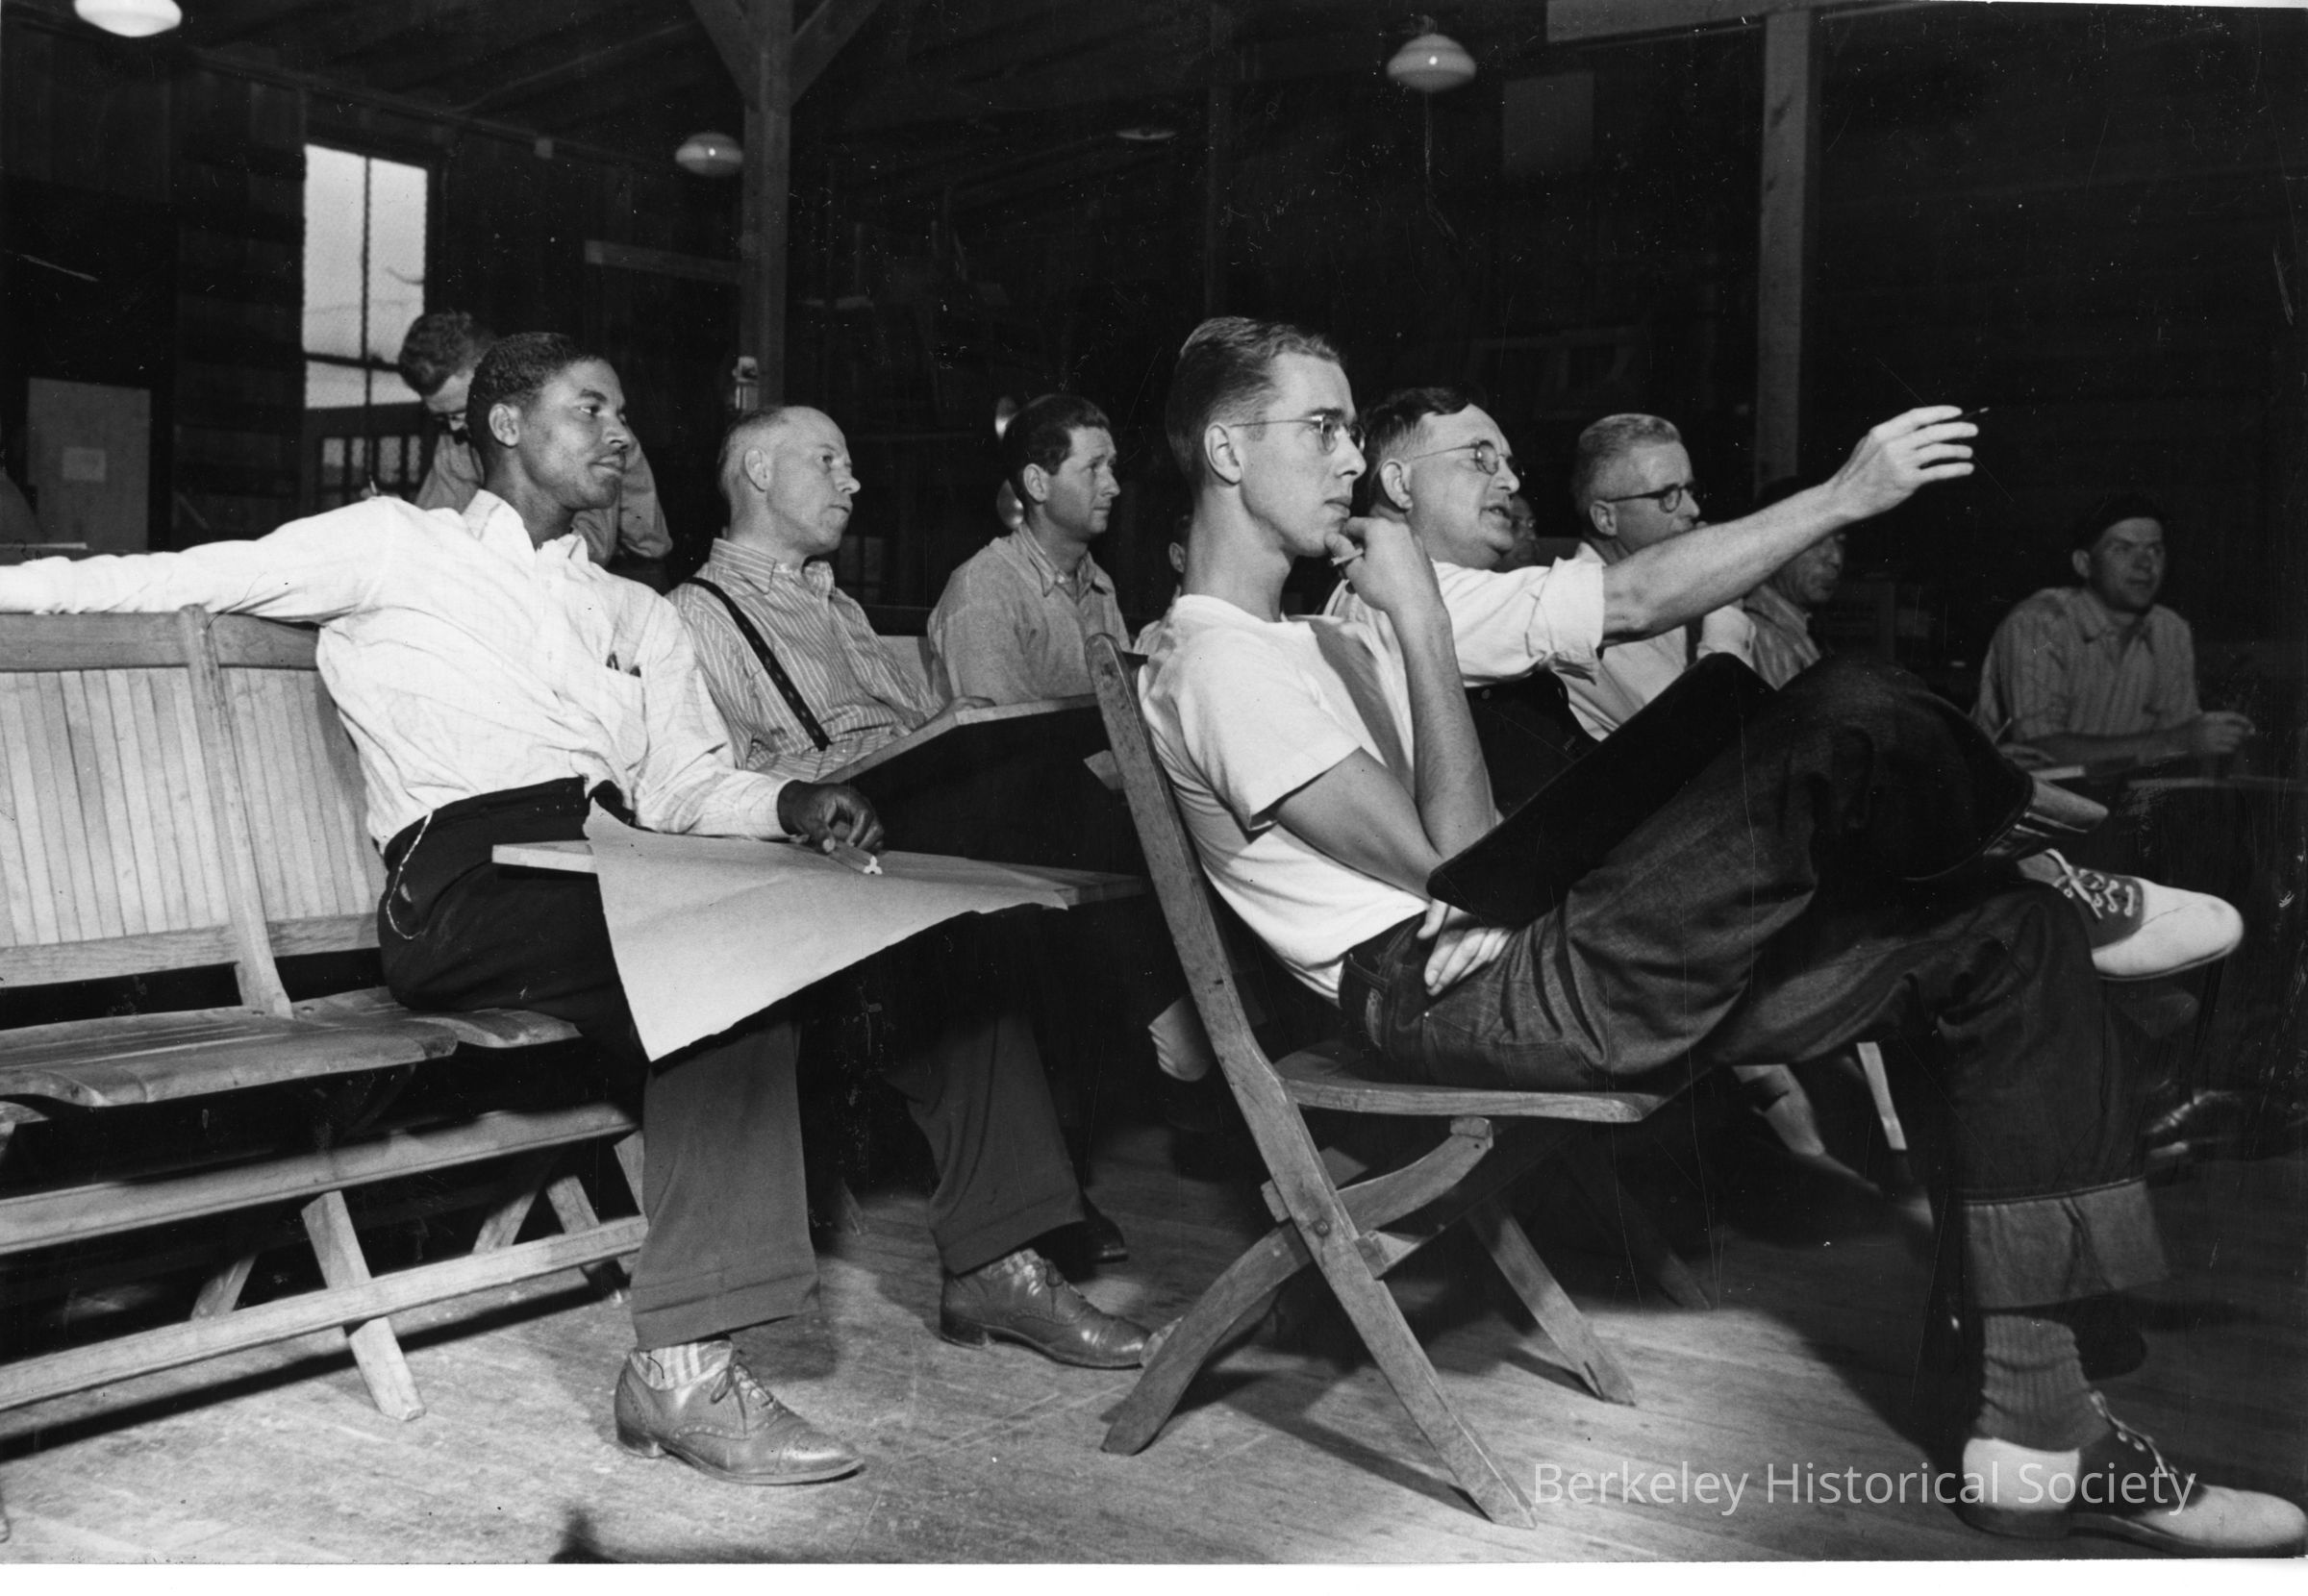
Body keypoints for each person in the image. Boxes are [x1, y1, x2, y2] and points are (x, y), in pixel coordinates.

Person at [1135, 315, 2296, 1555]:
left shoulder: (1318, 631)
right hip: (1458, 994)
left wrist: (1841, 497)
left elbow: (1634, 594)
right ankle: (2046, 861)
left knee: (2009, 939)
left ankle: (2039, 1430)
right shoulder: (1214, 665)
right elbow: (1461, 869)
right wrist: (1421, 625)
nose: (1350, 460)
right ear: (1226, 450)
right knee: (1847, 708)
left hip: (1542, 957)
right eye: (1322, 428)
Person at [0, 334, 1146, 1488]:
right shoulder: (397, 545)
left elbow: (686, 786)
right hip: (467, 882)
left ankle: (999, 1258)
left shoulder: (632, 611)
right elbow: (172, 577)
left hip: (617, 857)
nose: (620, 435)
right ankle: (681, 1368)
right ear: (505, 424)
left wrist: (787, 801)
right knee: (723, 959)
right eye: (590, 409)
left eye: (624, 413)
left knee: (937, 929)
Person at [1972, 491, 2253, 766]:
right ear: (2084, 564)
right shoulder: (2038, 623)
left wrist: (2211, 736)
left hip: (2115, 793)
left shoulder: (2170, 630)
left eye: (2155, 550)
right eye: (2122, 549)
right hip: (2020, 793)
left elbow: (2180, 740)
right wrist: (2176, 741)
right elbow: (2040, 748)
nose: (2145, 564)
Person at [395, 311, 673, 572]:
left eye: (461, 412)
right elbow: (432, 526)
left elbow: (591, 548)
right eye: (443, 418)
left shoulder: (580, 433)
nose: (456, 426)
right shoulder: (456, 437)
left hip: (628, 567)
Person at [1558, 411, 1753, 738]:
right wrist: (1724, 602)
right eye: (1666, 496)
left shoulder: (1672, 584)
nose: (1693, 510)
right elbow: (1705, 735)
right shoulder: (1584, 610)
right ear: (1606, 519)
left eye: (1689, 490)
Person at [928, 393, 1128, 703]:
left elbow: (1124, 712)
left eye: (1110, 467)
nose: (1113, 486)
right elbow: (1003, 731)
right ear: (1037, 483)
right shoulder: (983, 589)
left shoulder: (1100, 585)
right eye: (1093, 468)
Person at [1741, 477, 1844, 689]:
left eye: (1841, 541)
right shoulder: (1765, 636)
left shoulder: (1797, 625)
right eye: (1818, 540)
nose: (1836, 559)